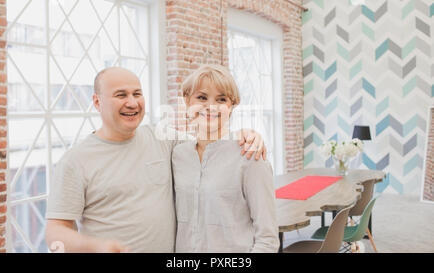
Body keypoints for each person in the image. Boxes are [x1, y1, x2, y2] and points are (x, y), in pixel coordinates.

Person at [45, 67, 267, 253]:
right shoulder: (75, 160)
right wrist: (96, 247)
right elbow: (54, 232)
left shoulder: (164, 140)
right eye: (121, 95)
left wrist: (245, 135)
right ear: (96, 101)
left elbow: (210, 144)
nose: (132, 103)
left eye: (137, 94)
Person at [172, 64, 279, 252]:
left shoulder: (249, 155)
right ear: (187, 101)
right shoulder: (177, 155)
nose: (211, 106)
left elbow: (267, 238)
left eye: (221, 99)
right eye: (201, 97)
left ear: (231, 106)